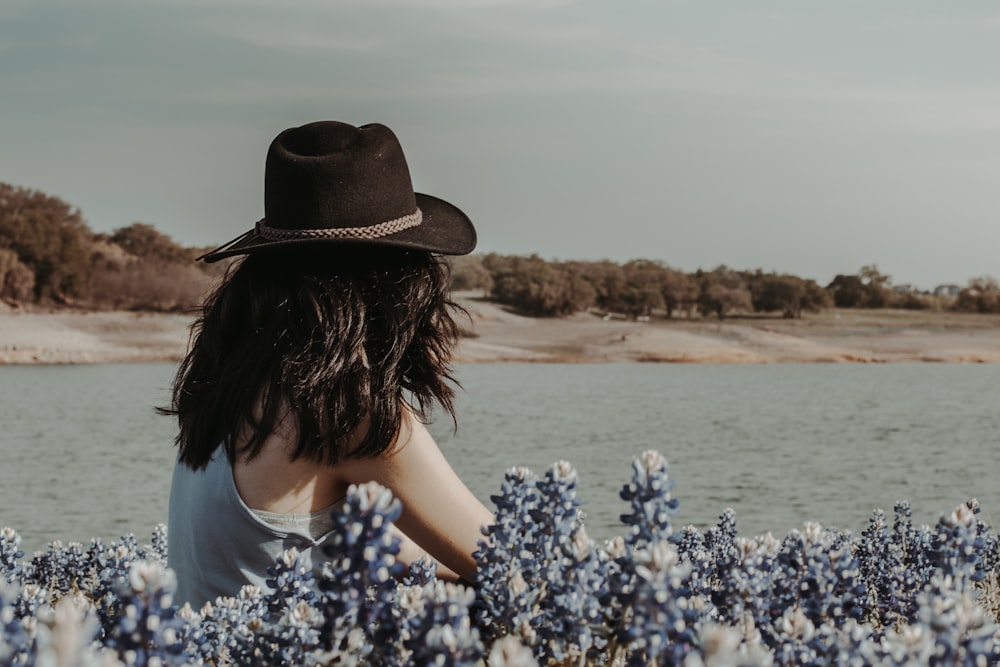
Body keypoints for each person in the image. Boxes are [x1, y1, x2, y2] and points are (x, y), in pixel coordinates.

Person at [164, 120, 494, 607]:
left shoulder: (224, 388)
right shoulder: (342, 411)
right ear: (397, 283)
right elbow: (516, 561)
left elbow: (406, 557)